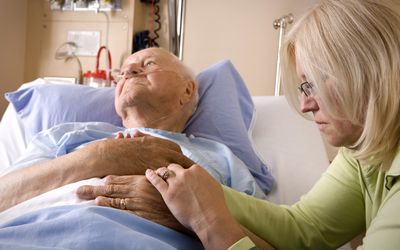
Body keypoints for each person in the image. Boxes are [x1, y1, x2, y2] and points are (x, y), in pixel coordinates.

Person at [139, 0, 400, 249]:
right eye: (302, 88)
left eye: (312, 85)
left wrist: (209, 221)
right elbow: (305, 228)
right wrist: (204, 190)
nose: (306, 105)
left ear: (364, 71)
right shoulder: (368, 149)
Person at [0, 47, 267, 237]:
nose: (128, 71)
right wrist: (101, 157)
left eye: (148, 64)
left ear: (187, 90)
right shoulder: (67, 135)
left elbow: (266, 236)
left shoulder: (220, 159)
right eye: (123, 72)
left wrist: (184, 217)